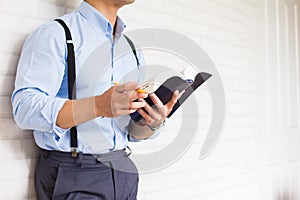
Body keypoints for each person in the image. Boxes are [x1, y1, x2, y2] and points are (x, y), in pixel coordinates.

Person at [12, 0, 179, 199]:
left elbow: (131, 133)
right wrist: (97, 105)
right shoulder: (57, 34)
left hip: (124, 170)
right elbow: (24, 108)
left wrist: (152, 122)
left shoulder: (132, 49)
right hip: (75, 174)